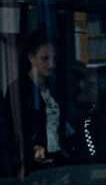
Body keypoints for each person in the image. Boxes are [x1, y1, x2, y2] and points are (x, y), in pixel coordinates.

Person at [4, 32, 71, 172]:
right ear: (31, 57)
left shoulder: (56, 90)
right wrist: (31, 148)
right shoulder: (19, 89)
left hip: (58, 158)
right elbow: (11, 129)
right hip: (35, 161)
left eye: (54, 59)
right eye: (45, 58)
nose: (51, 64)